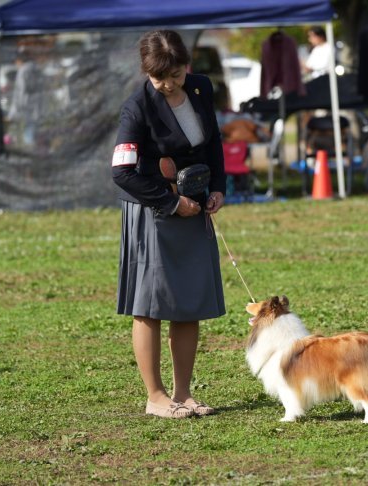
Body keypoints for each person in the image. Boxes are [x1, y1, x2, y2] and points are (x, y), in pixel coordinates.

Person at [111, 30, 226, 419]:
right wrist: (173, 203)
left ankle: (184, 393)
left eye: (175, 75)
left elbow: (213, 143)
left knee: (187, 302)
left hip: (194, 204)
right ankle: (155, 396)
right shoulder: (136, 108)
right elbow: (122, 174)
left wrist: (218, 188)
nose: (168, 84)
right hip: (153, 212)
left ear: (186, 67)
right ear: (146, 72)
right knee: (150, 304)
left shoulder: (200, 89)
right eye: (160, 78)